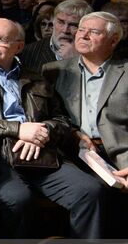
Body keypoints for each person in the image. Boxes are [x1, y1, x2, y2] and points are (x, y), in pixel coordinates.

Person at [0, 18, 107, 238]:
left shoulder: (36, 77)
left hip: (42, 152)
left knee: (90, 191)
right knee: (17, 199)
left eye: (1, 40)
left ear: (18, 46)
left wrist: (41, 130)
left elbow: (62, 119)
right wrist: (18, 130)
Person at [45, 12, 127, 180]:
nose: (84, 35)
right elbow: (46, 115)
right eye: (81, 29)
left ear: (113, 40)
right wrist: (73, 132)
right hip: (71, 153)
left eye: (94, 32)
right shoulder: (53, 71)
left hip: (123, 154)